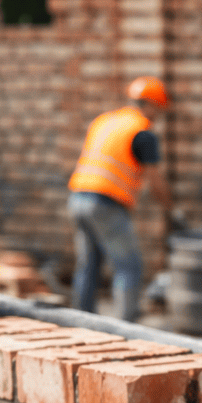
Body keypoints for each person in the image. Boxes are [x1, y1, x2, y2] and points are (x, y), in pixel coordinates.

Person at [67, 76, 177, 321]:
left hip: (77, 199)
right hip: (105, 204)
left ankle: (80, 322)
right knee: (129, 266)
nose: (158, 115)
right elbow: (155, 180)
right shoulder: (142, 133)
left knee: (89, 265)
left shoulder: (105, 121)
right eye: (158, 108)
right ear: (150, 104)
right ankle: (126, 326)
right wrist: (172, 209)